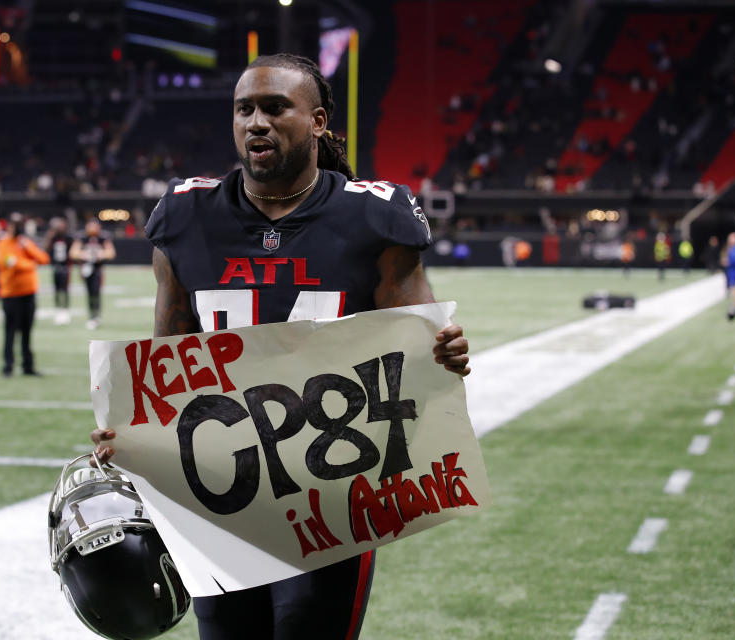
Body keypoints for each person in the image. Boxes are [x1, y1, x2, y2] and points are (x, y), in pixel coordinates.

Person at [90, 53, 470, 640]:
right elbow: (167, 359)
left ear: (318, 122)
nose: (256, 122)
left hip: (330, 486)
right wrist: (136, 429)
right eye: (245, 109)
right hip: (219, 486)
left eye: (275, 108)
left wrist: (443, 355)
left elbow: (416, 344)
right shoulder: (187, 216)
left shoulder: (372, 214)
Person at [0, 212, 50, 376]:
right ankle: (8, 365)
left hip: (28, 294)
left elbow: (44, 259)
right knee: (10, 331)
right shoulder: (2, 244)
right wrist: (30, 265)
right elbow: (8, 262)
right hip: (10, 294)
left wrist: (27, 249)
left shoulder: (25, 243)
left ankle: (28, 365)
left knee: (27, 331)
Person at [70, 220, 116, 330]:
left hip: (97, 269)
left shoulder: (103, 238)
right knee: (89, 293)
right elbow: (73, 253)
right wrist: (83, 255)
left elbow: (111, 253)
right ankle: (92, 316)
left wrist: (101, 254)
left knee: (96, 292)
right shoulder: (82, 238)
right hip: (86, 269)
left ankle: (96, 316)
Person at [45, 216, 73, 325]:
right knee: (56, 289)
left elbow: (72, 251)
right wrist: (49, 236)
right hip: (56, 266)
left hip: (65, 266)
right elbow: (46, 249)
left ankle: (65, 310)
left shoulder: (68, 237)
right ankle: (57, 309)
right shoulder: (53, 238)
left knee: (65, 289)